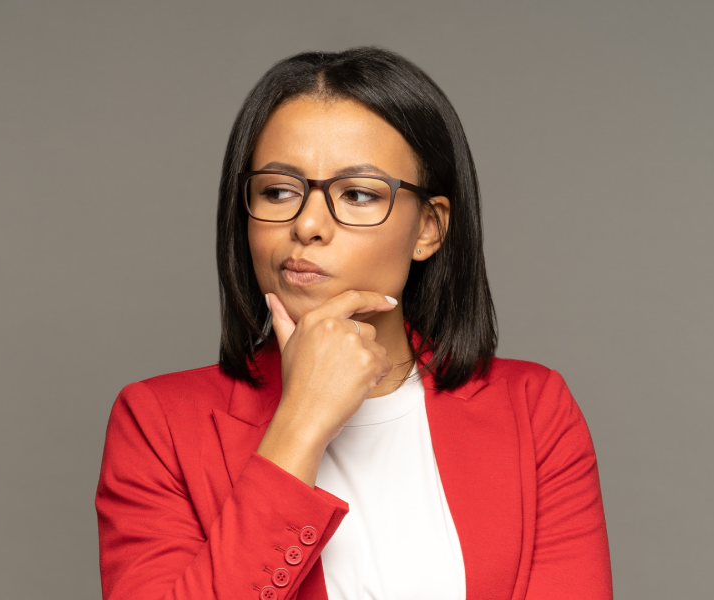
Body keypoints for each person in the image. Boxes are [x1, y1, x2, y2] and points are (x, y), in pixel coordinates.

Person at [94, 47, 612, 600]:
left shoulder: (533, 411)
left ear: (428, 229)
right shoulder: (157, 425)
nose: (308, 224)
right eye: (278, 191)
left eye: (358, 194)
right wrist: (300, 424)